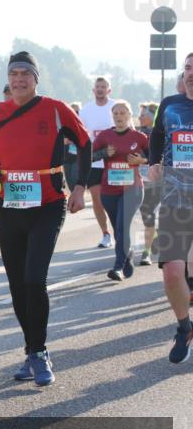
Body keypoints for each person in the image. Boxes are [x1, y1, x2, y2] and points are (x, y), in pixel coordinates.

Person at [0, 52, 90, 387]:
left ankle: (38, 354)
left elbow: (84, 143)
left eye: (26, 73)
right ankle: (32, 350)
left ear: (36, 78)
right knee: (16, 285)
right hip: (10, 206)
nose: (20, 79)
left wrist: (80, 187)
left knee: (34, 278)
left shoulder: (55, 108)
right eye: (15, 74)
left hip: (48, 203)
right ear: (8, 80)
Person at [148, 52, 193, 364]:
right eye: (188, 68)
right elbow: (157, 135)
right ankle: (184, 326)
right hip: (174, 201)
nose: (191, 73)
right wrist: (153, 162)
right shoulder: (169, 104)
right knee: (172, 274)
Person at [92, 101, 148, 281]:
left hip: (133, 188)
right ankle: (128, 253)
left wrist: (142, 160)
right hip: (109, 189)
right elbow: (89, 157)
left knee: (123, 224)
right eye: (115, 113)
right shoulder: (104, 136)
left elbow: (154, 156)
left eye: (122, 113)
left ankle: (118, 267)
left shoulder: (139, 137)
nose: (118, 116)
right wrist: (104, 154)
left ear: (129, 115)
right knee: (118, 229)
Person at [80, 77, 115, 248]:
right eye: (97, 87)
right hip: (94, 163)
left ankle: (120, 231)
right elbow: (82, 139)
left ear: (109, 90)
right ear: (93, 90)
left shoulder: (116, 108)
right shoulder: (85, 111)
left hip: (115, 163)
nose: (100, 90)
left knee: (114, 201)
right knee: (97, 199)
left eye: (104, 87)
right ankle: (106, 233)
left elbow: (128, 130)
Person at [137, 102, 161, 265]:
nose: (139, 117)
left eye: (143, 115)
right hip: (139, 179)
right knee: (146, 212)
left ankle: (147, 250)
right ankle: (155, 236)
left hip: (158, 179)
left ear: (152, 117)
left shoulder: (159, 133)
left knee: (149, 211)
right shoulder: (136, 132)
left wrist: (144, 160)